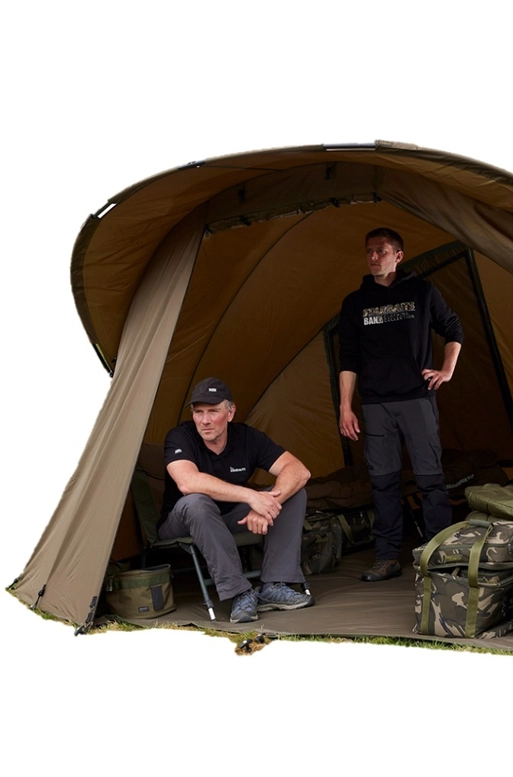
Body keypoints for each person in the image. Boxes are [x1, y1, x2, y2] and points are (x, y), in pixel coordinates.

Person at [338, 228, 463, 581]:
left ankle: (439, 555)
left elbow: (453, 329)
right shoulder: (355, 302)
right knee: (383, 482)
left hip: (416, 399)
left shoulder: (422, 291)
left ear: (398, 255)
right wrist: (345, 407)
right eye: (369, 251)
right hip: (376, 404)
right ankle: (387, 558)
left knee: (430, 480)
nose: (373, 257)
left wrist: (447, 371)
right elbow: (348, 358)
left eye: (381, 250)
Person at [158, 377, 314, 623]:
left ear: (230, 413)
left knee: (293, 494)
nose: (205, 420)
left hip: (231, 518)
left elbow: (299, 471)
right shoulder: (180, 437)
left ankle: (275, 584)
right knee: (197, 502)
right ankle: (240, 592)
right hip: (182, 521)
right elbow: (188, 482)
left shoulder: (247, 437)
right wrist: (252, 497)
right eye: (198, 412)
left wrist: (264, 507)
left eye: (213, 411)